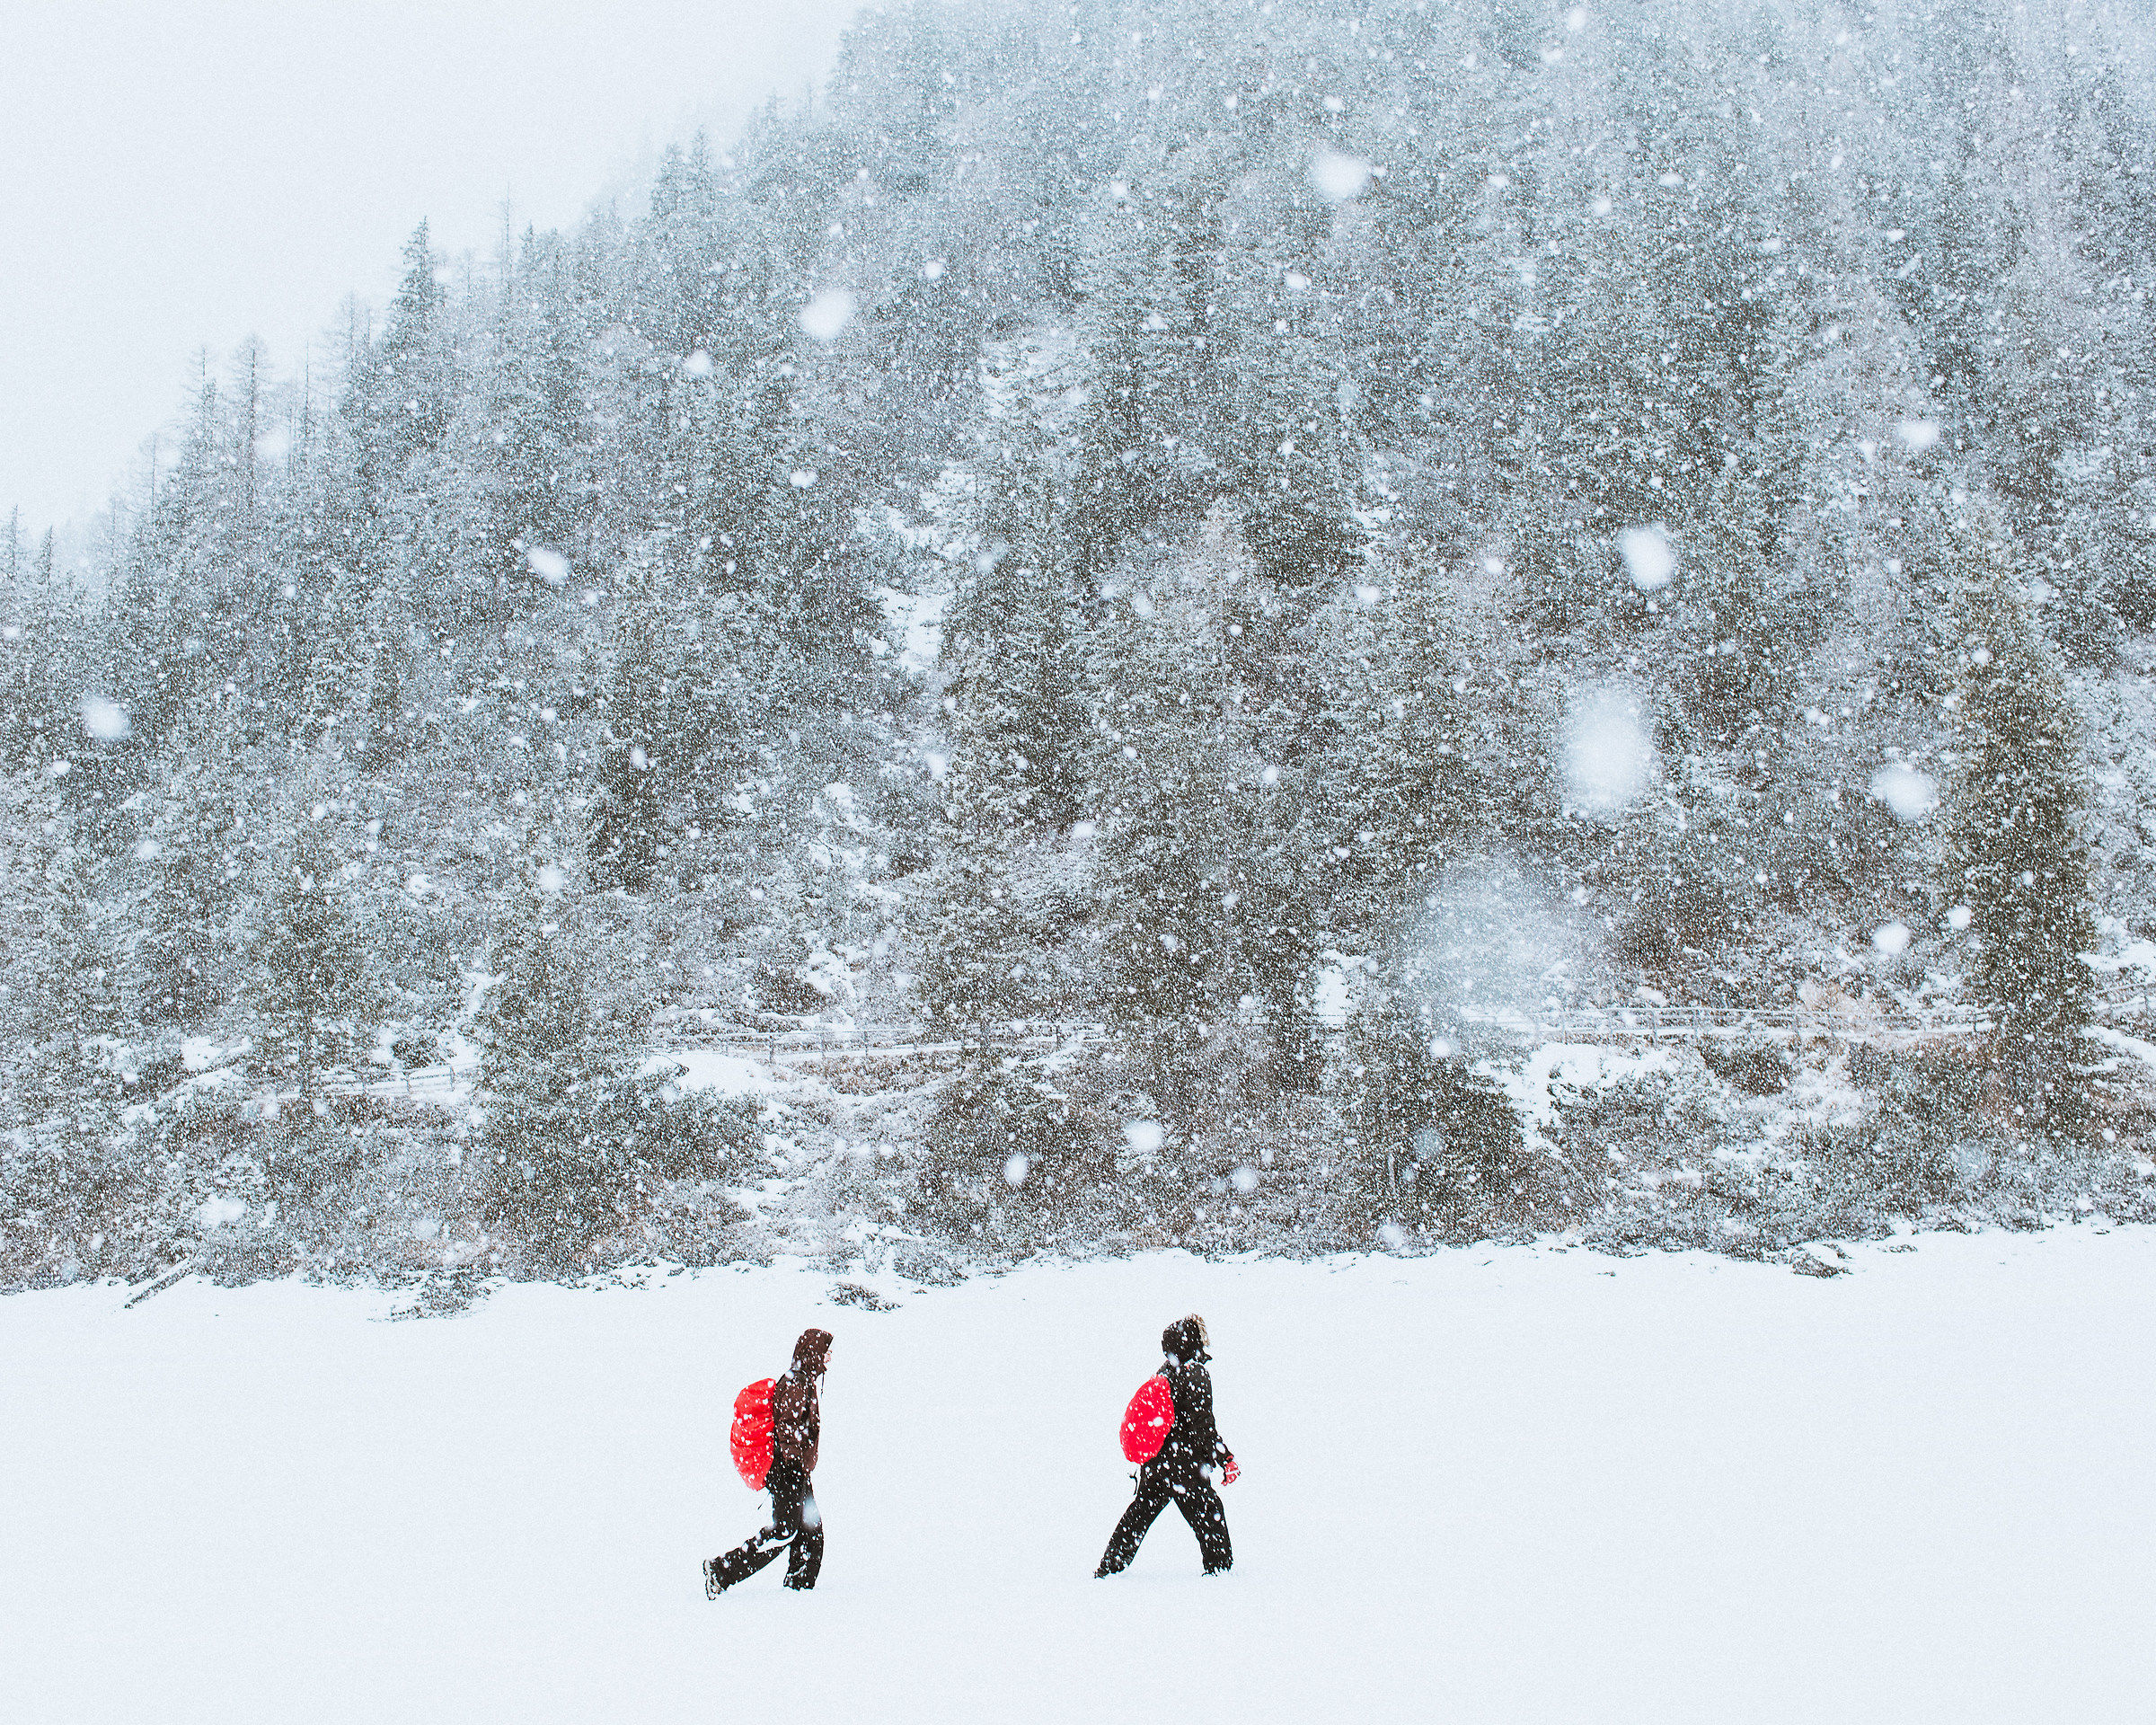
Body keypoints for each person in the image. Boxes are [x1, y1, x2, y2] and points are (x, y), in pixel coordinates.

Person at [1095, 1313, 1236, 1578]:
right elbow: (1203, 1425)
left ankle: (1109, 1569)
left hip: (1157, 1463)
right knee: (1209, 1514)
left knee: (1138, 1515)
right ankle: (1221, 1574)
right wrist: (1225, 1457)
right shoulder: (1196, 1373)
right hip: (1185, 1466)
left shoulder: (1164, 1372)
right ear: (1195, 1342)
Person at [705, 1328, 833, 1596]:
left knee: (811, 1530)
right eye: (826, 1351)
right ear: (813, 1353)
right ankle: (721, 1571)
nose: (829, 1357)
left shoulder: (803, 1380)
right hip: (786, 1469)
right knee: (785, 1530)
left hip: (794, 1469)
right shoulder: (796, 1384)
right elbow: (788, 1431)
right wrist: (794, 1466)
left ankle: (798, 1590)